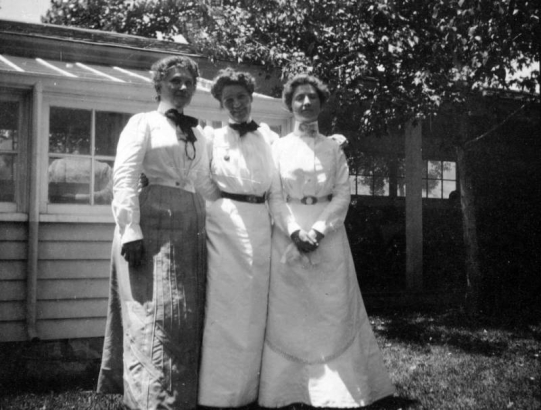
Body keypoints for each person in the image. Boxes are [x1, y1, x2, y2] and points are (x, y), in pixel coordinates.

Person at [260, 74, 395, 407]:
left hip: (328, 236)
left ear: (321, 103)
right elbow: (274, 196)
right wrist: (294, 232)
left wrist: (319, 230)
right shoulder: (278, 148)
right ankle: (288, 390)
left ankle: (339, 391)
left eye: (312, 98)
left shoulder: (333, 148)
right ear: (289, 105)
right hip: (288, 234)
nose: (306, 103)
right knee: (290, 310)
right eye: (299, 98)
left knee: (331, 309)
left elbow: (342, 194)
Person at [97, 55, 220, 410]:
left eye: (189, 83)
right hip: (150, 225)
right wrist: (130, 229)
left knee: (181, 315)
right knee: (152, 314)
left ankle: (179, 399)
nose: (182, 88)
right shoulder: (143, 123)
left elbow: (204, 183)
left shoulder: (196, 132)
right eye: (175, 81)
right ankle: (150, 401)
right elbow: (124, 176)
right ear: (159, 85)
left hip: (189, 227)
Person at [197, 68, 279, 408]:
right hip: (224, 225)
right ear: (221, 104)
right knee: (224, 306)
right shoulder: (212, 138)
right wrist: (222, 210)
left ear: (252, 98)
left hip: (261, 224)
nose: (236, 105)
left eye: (241, 98)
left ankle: (251, 390)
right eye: (228, 100)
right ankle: (218, 393)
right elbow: (204, 181)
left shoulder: (270, 138)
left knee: (254, 308)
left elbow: (278, 184)